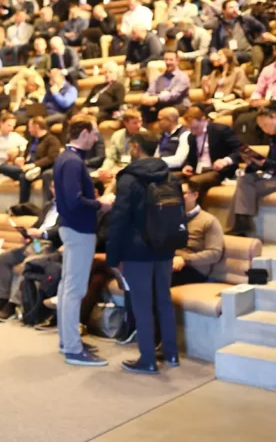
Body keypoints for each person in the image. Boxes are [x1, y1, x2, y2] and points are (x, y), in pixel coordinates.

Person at [105, 132, 180, 375]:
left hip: (137, 250)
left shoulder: (128, 178)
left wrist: (112, 256)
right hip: (165, 245)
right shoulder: (170, 175)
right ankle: (171, 354)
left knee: (142, 304)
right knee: (164, 300)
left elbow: (119, 219)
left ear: (136, 147)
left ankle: (147, 358)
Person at [53, 114, 111, 366]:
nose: (96, 138)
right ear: (84, 132)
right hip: (79, 230)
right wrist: (101, 203)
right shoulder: (73, 161)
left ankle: (67, 340)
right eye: (95, 133)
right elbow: (75, 201)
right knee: (74, 290)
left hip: (72, 229)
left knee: (68, 287)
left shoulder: (66, 158)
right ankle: (73, 349)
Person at [0, 181, 61, 320]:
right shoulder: (48, 206)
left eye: (58, 186)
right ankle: (2, 298)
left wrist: (42, 234)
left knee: (29, 262)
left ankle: (13, 304)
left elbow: (60, 230)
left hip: (51, 245)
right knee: (4, 258)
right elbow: (38, 224)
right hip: (36, 243)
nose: (55, 190)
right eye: (53, 187)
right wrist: (28, 234)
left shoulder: (69, 207)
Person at [227, 108, 276, 236]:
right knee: (244, 179)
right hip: (273, 174)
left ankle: (240, 225)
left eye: (265, 125)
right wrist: (253, 163)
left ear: (274, 117)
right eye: (261, 127)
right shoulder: (274, 137)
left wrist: (265, 163)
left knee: (245, 188)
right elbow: (270, 162)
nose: (264, 129)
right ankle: (241, 223)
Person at [181, 107, 242, 199]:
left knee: (194, 182)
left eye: (195, 128)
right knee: (173, 178)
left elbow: (240, 150)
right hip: (198, 171)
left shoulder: (220, 130)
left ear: (203, 119)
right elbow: (191, 158)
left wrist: (225, 161)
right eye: (190, 128)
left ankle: (194, 208)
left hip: (218, 171)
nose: (192, 132)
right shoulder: (191, 137)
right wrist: (188, 166)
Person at [1, 116, 63, 205]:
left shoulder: (52, 140)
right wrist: (21, 160)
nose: (29, 130)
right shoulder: (32, 140)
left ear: (36, 127)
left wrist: (33, 165)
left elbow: (51, 158)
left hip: (40, 169)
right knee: (3, 167)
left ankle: (23, 205)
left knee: (23, 177)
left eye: (30, 127)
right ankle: (24, 174)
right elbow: (26, 156)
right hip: (26, 168)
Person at [209, 0, 266, 75]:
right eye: (231, 7)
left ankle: (229, 79)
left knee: (231, 56)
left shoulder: (245, 20)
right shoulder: (219, 25)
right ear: (224, 10)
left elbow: (262, 28)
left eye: (236, 7)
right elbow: (213, 43)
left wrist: (258, 41)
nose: (235, 9)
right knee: (205, 60)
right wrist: (213, 53)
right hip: (225, 53)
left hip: (245, 52)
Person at [98, 109, 149, 184]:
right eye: (135, 123)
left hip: (137, 169)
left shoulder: (146, 135)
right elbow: (111, 157)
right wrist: (104, 169)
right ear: (126, 123)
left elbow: (146, 159)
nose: (139, 126)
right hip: (118, 167)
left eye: (140, 121)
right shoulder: (117, 135)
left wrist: (124, 170)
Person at [199, 49, 249, 113]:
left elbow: (237, 94)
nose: (218, 57)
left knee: (208, 110)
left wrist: (220, 100)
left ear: (228, 56)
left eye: (220, 55)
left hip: (227, 101)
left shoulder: (238, 71)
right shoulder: (215, 73)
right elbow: (207, 94)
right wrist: (204, 84)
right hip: (213, 101)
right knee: (197, 107)